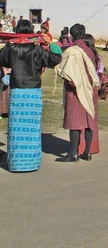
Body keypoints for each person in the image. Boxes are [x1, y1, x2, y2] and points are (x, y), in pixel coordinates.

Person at [0, 21, 62, 172]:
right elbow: (56, 58)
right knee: (32, 130)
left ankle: (16, 163)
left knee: (16, 129)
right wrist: (51, 43)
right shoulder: (36, 49)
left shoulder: (10, 48)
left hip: (16, 92)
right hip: (32, 93)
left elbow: (2, 60)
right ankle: (30, 163)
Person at [55, 24, 100, 163]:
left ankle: (73, 153)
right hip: (90, 89)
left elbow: (68, 73)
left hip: (76, 90)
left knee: (74, 121)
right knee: (88, 119)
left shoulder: (72, 51)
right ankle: (87, 152)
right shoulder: (90, 51)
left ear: (72, 36)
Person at [82, 34, 104, 155]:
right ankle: (91, 147)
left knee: (81, 117)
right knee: (91, 117)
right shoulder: (97, 56)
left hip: (83, 87)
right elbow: (100, 71)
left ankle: (80, 147)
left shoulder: (83, 55)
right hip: (94, 88)